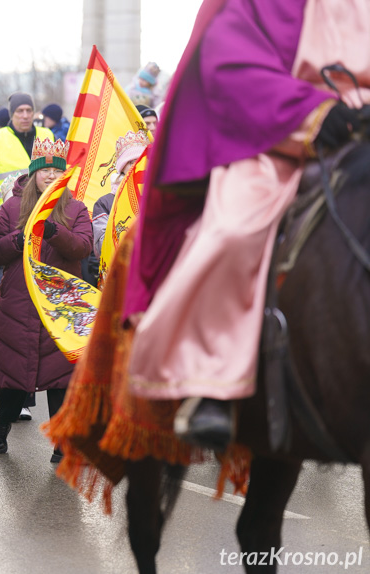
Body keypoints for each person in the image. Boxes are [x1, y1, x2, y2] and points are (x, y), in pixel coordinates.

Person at [124, 0, 369, 450]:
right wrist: (315, 112)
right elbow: (230, 64)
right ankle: (210, 383)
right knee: (233, 231)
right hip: (280, 132)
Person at [0, 138, 92, 461]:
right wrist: (18, 240)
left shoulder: (76, 209)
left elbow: (84, 247)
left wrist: (55, 232)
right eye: (43, 169)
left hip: (60, 306)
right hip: (19, 303)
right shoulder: (11, 208)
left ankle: (62, 442)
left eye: (55, 170)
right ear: (33, 174)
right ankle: (1, 428)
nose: (49, 174)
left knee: (62, 379)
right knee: (14, 376)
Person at [0, 93, 54, 210]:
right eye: (20, 111)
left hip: (44, 210)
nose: (25, 116)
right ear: (12, 114)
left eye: (29, 110)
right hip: (8, 213)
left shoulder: (48, 135)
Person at [91, 130, 149, 264]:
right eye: (131, 162)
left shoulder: (157, 195)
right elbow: (102, 246)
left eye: (141, 161)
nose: (137, 166)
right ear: (122, 168)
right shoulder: (105, 203)